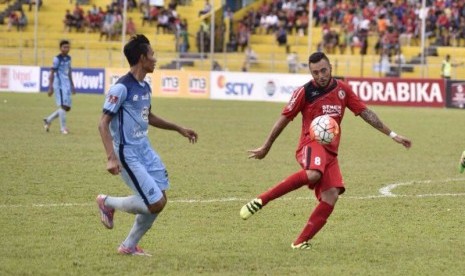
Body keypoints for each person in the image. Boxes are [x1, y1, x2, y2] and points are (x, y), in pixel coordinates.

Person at [240, 52, 412, 249]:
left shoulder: (343, 90)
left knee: (331, 195)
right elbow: (285, 118)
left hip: (331, 152)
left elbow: (366, 113)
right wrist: (266, 146)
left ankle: (300, 242)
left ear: (330, 67)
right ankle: (262, 200)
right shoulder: (304, 92)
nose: (320, 75)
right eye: (315, 73)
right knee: (313, 174)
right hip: (310, 144)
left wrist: (393, 135)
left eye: (323, 70)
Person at [96, 34, 198, 256]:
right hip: (128, 152)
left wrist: (178, 128)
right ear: (142, 58)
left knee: (161, 198)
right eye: (152, 54)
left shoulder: (145, 87)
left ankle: (128, 246)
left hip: (145, 149)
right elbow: (103, 123)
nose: (155, 59)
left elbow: (148, 116)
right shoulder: (121, 88)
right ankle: (107, 202)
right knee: (155, 203)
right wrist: (110, 156)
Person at [43, 40, 75, 134]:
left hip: (66, 84)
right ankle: (63, 128)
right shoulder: (57, 59)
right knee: (63, 106)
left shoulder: (69, 58)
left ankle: (48, 120)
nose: (66, 49)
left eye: (68, 47)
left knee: (67, 108)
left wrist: (72, 85)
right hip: (59, 85)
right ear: (60, 48)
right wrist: (50, 87)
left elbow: (69, 72)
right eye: (64, 47)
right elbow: (52, 72)